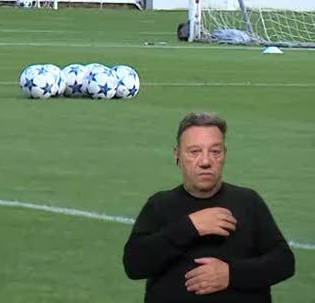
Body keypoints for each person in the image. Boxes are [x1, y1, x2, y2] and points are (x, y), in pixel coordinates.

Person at [123, 111, 295, 302]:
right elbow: (134, 265)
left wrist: (231, 275)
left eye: (215, 152)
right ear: (177, 155)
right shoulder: (160, 205)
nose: (205, 162)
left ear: (225, 155)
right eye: (194, 151)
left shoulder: (248, 202)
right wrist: (190, 226)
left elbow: (284, 262)